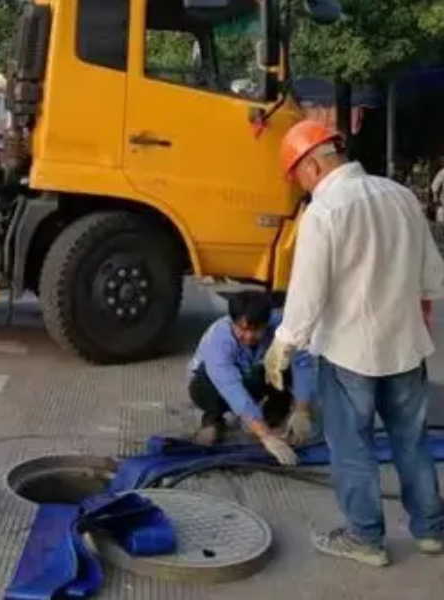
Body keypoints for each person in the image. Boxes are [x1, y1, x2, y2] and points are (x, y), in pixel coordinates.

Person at [265, 120, 444, 566]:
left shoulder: (325, 212)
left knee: (352, 447)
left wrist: (284, 343)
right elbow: (432, 278)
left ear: (310, 167)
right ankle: (431, 531)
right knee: (411, 441)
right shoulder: (401, 196)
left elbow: (308, 291)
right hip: (405, 348)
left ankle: (366, 538)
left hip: (350, 354)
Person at [188, 291, 315, 464]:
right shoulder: (218, 339)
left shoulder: (281, 327)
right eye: (242, 329)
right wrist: (265, 435)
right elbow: (230, 387)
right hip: (211, 386)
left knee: (283, 361)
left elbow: (303, 363)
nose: (248, 337)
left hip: (253, 376)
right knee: (208, 382)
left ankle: (273, 417)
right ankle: (213, 418)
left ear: (267, 323)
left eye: (256, 330)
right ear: (233, 323)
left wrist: (302, 409)